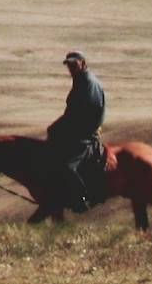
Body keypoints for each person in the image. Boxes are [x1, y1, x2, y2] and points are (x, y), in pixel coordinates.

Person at [47, 50, 106, 213]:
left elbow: (86, 112)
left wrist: (66, 127)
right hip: (77, 129)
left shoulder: (88, 83)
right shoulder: (80, 80)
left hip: (85, 133)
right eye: (69, 66)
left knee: (67, 166)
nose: (71, 68)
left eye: (74, 64)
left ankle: (82, 198)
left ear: (83, 64)